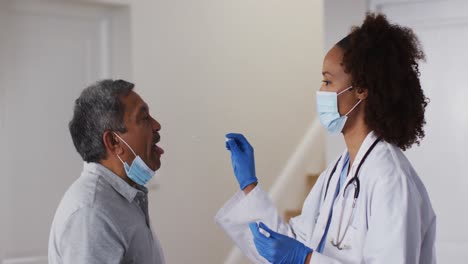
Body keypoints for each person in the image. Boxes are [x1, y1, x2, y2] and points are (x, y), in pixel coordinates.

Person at [215, 13, 436, 264]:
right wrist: (249, 186)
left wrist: (306, 260)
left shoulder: (390, 178)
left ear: (362, 89)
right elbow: (288, 247)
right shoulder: (337, 172)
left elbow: (301, 255)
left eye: (327, 81)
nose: (321, 92)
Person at [48, 80, 166, 263]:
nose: (156, 125)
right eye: (144, 118)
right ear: (114, 142)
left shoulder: (124, 197)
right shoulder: (91, 212)